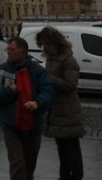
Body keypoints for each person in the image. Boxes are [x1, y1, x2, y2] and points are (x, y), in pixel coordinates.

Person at [0, 37, 54, 180]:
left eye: (12, 50)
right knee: (17, 162)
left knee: (30, 163)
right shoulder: (1, 70)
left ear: (23, 51)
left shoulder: (37, 71)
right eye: (8, 50)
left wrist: (38, 102)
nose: (9, 53)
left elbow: (48, 91)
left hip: (33, 124)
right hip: (11, 124)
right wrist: (8, 92)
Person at [36, 27, 85, 180]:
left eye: (46, 44)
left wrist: (48, 78)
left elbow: (70, 84)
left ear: (54, 42)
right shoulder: (51, 59)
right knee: (61, 148)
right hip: (55, 108)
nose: (44, 47)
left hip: (68, 110)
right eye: (42, 44)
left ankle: (76, 176)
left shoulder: (69, 60)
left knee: (72, 148)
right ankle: (63, 176)